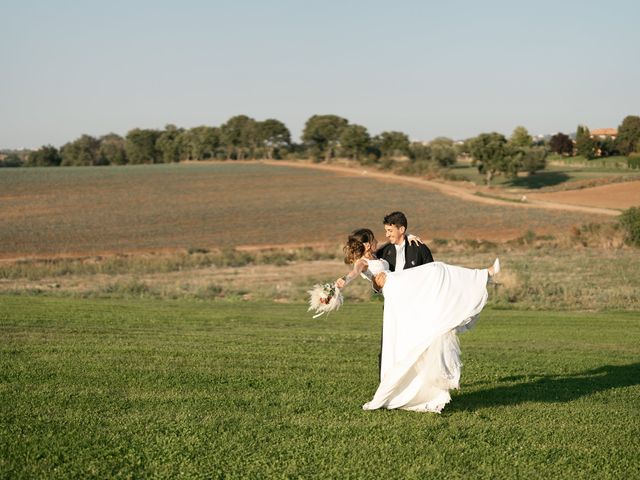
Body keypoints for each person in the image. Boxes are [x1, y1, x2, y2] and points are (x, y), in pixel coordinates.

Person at [335, 228, 499, 413]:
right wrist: (343, 280)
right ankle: (484, 275)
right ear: (366, 244)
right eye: (373, 240)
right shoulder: (363, 262)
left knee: (437, 272)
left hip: (399, 290)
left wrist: (407, 237)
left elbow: (391, 242)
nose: (377, 241)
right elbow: (355, 271)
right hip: (395, 289)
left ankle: (482, 276)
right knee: (436, 270)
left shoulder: (375, 254)